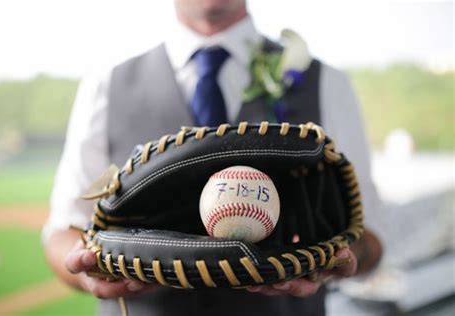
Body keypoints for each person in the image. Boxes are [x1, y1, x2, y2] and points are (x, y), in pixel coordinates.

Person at [43, 0, 383, 315]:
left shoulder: (325, 81)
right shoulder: (106, 83)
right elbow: (62, 232)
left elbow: (373, 239)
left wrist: (333, 261)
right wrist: (89, 273)